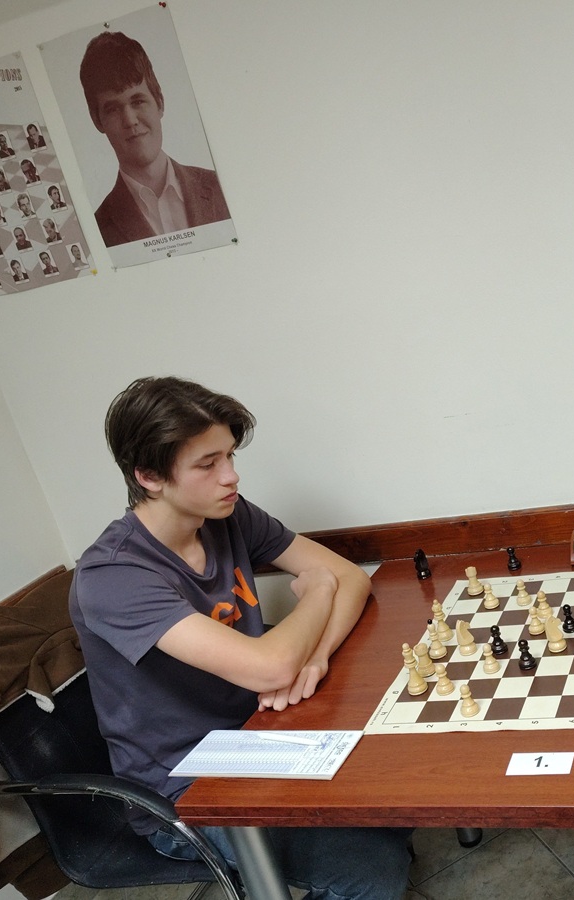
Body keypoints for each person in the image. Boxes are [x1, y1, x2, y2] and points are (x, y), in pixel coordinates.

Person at [69, 376, 411, 899]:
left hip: (260, 730)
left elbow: (353, 578)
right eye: (207, 464)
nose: (231, 476)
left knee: (397, 793)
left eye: (229, 456)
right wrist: (318, 591)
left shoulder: (225, 515)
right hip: (184, 786)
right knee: (371, 871)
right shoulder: (113, 575)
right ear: (149, 476)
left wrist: (315, 658)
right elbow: (274, 661)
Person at [79, 32, 231, 247]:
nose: (130, 120)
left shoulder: (222, 187)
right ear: (97, 121)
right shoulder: (96, 232)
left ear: (159, 102)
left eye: (138, 101)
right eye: (113, 109)